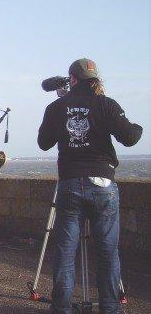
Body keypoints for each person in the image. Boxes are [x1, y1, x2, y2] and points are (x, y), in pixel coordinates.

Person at [38, 58, 142, 314]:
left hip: (71, 183)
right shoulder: (105, 104)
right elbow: (130, 137)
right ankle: (110, 308)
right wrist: (137, 126)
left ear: (72, 79)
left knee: (65, 252)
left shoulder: (57, 106)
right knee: (107, 252)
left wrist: (63, 107)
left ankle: (61, 308)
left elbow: (43, 143)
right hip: (103, 184)